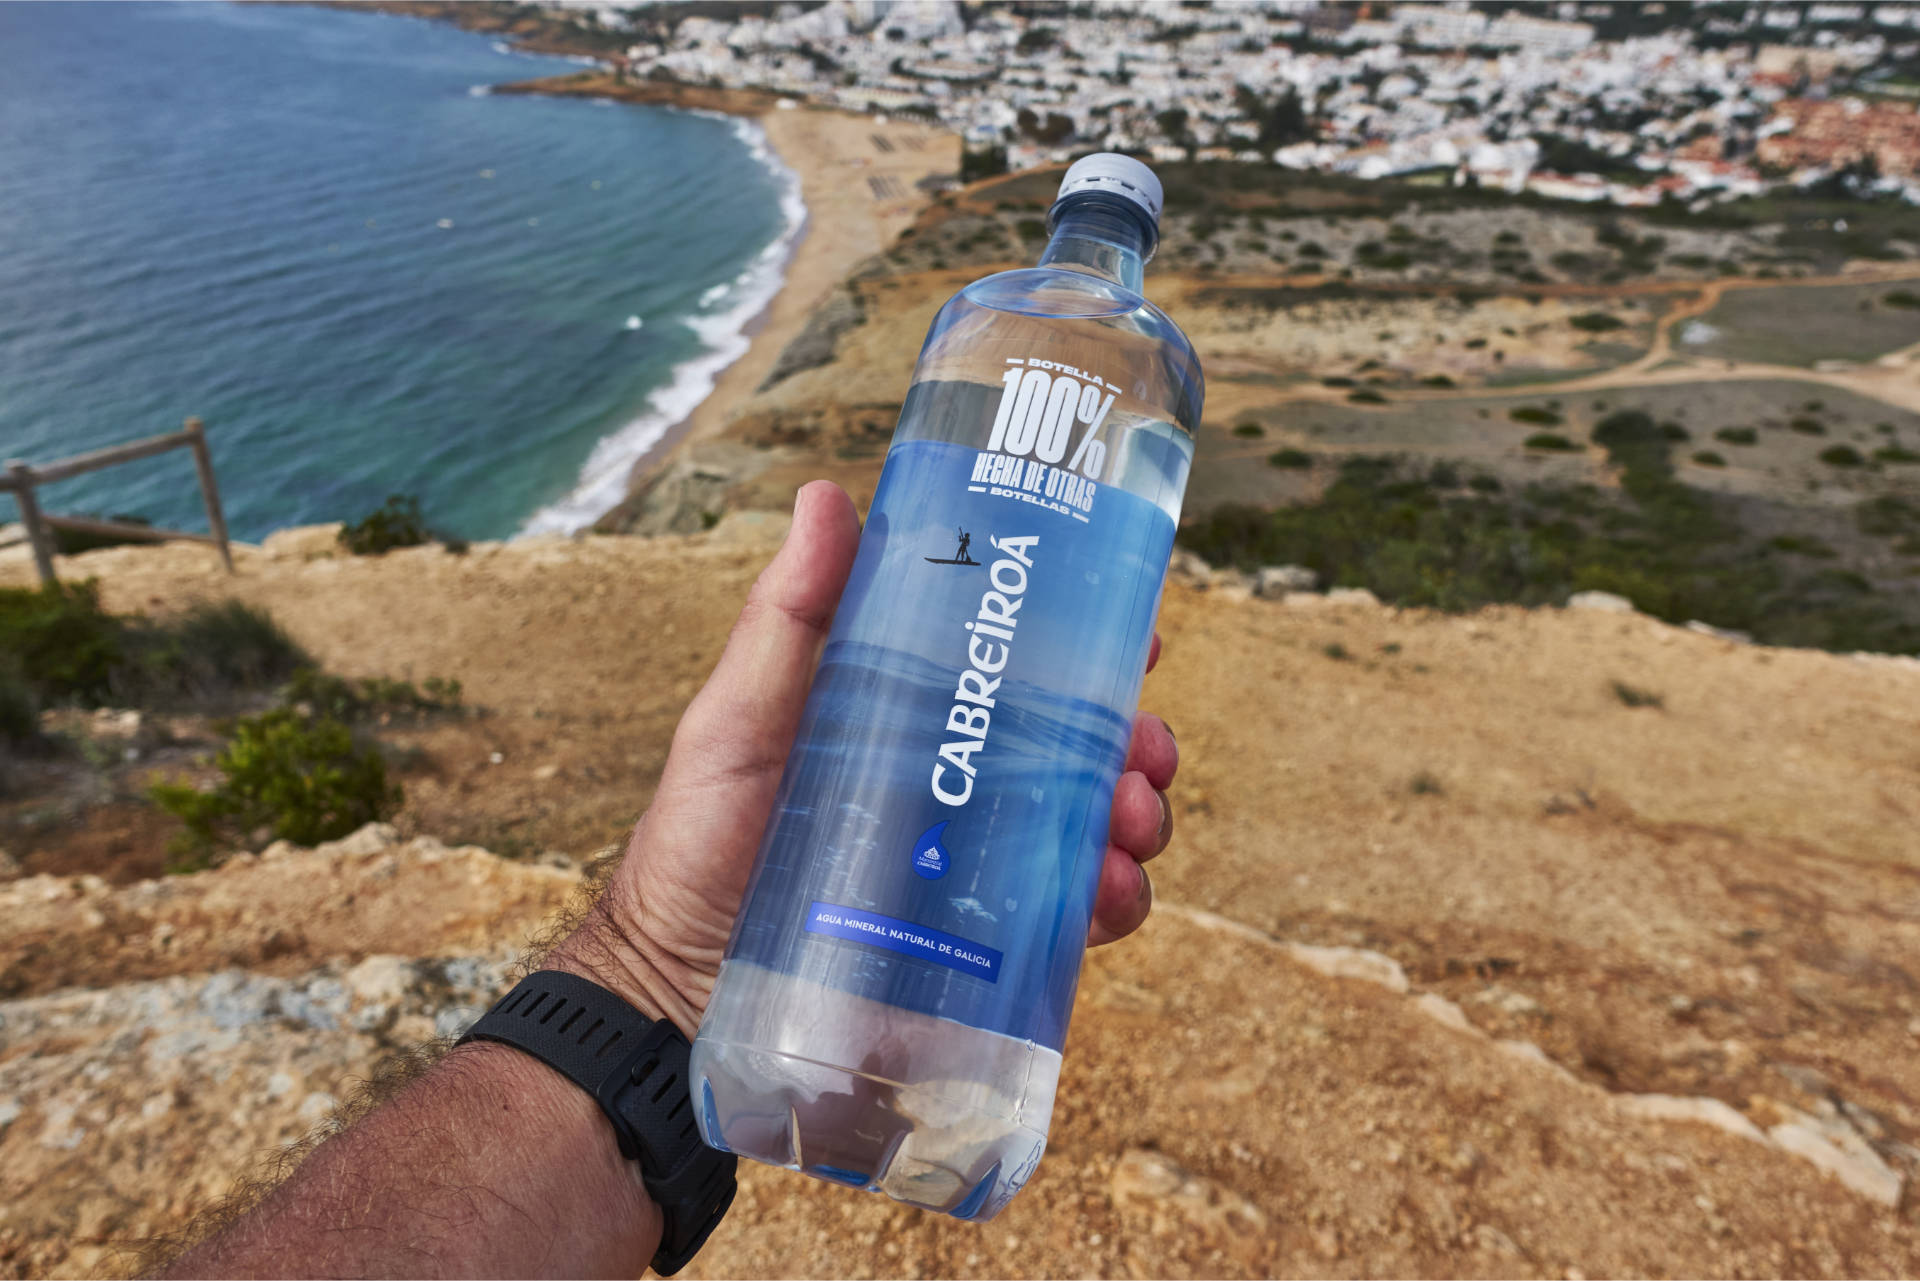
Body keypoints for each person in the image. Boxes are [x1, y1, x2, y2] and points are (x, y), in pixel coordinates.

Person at [154, 483, 1179, 1279]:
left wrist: (649, 978)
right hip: (769, 1021)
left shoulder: (1109, 356)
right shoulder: (1050, 340)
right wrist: (656, 976)